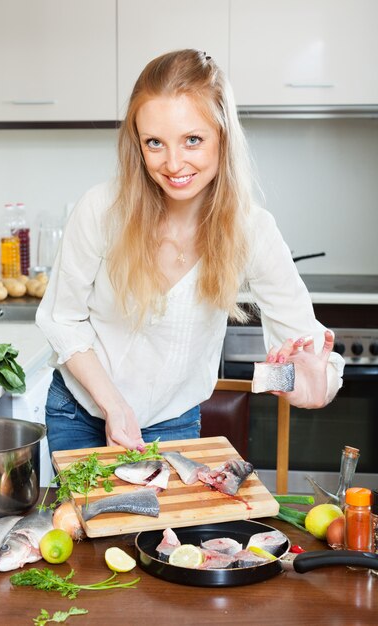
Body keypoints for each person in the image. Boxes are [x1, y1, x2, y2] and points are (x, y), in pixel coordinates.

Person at [36, 49, 344, 456]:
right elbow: (62, 318)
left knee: (163, 524)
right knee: (77, 523)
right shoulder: (101, 209)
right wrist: (113, 404)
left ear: (223, 136)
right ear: (138, 144)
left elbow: (302, 355)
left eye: (193, 140)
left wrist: (305, 386)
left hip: (174, 423)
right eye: (155, 143)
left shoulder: (252, 231)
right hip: (81, 416)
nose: (173, 163)